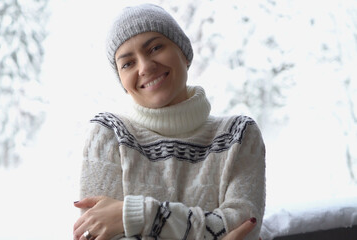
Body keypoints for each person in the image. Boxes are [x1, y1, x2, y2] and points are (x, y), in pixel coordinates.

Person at [73, 3, 265, 240]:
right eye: (128, 63)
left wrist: (137, 215)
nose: (145, 67)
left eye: (155, 47)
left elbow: (244, 227)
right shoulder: (108, 134)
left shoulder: (238, 134)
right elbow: (95, 234)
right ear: (122, 80)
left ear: (184, 53)